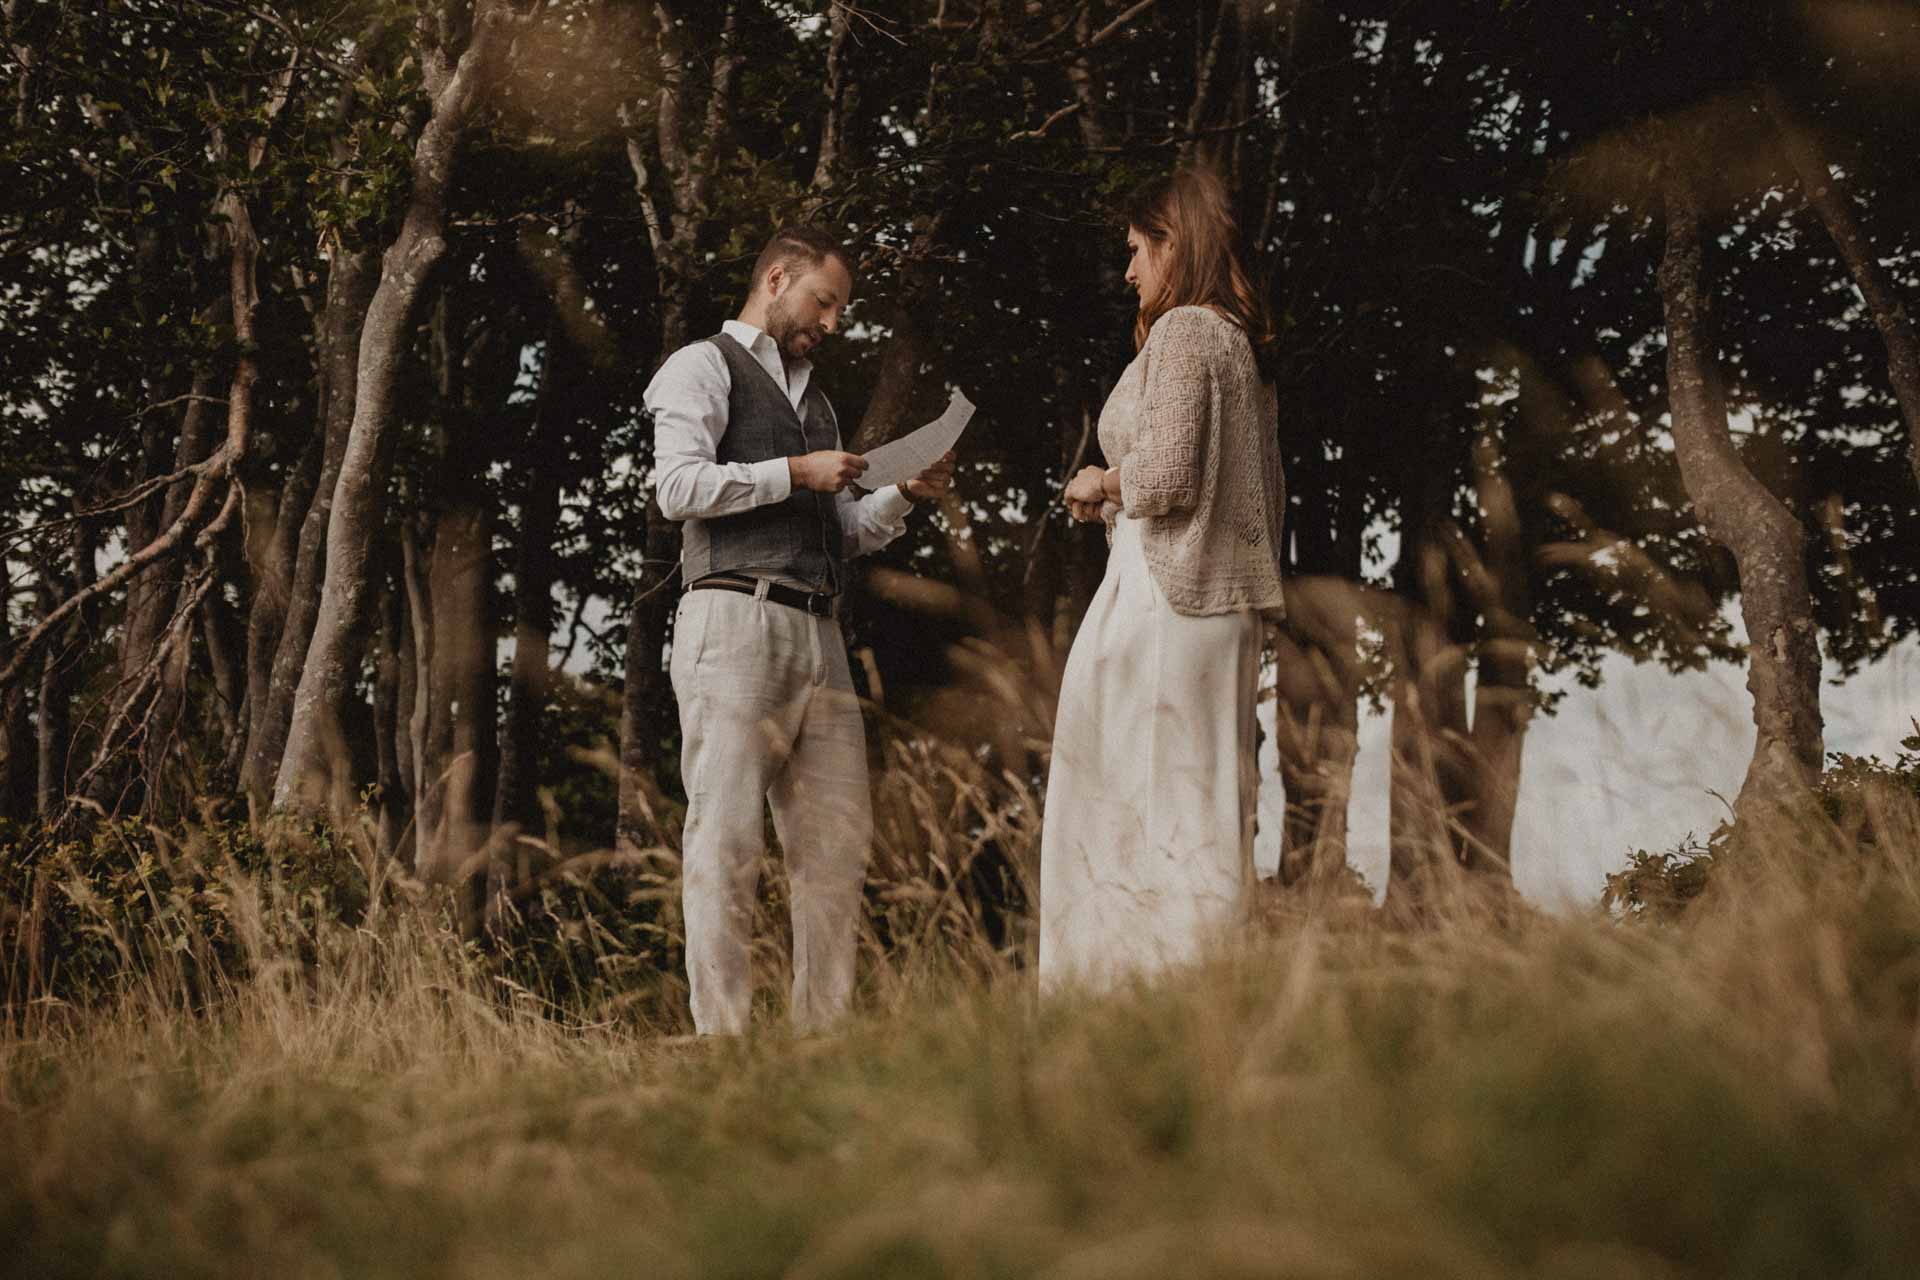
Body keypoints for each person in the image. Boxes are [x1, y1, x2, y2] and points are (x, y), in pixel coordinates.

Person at [646, 226, 956, 1034]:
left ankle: (823, 1036)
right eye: (824, 302)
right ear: (776, 278)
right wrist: (795, 472)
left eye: (841, 310)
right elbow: (677, 487)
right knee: (727, 839)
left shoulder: (815, 401)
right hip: (732, 616)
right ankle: (725, 1039)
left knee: (836, 849)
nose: (833, 321)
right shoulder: (701, 365)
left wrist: (904, 496)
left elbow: (842, 532)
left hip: (818, 630)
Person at [1041, 167, 1287, 992]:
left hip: (1166, 594)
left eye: (1138, 250)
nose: (1128, 272)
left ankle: (1122, 990)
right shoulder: (1238, 346)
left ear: (1174, 245)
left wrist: (1098, 483)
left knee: (1134, 797)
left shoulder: (1186, 331)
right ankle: (1192, 989)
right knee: (1198, 800)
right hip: (1212, 597)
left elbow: (1172, 475)